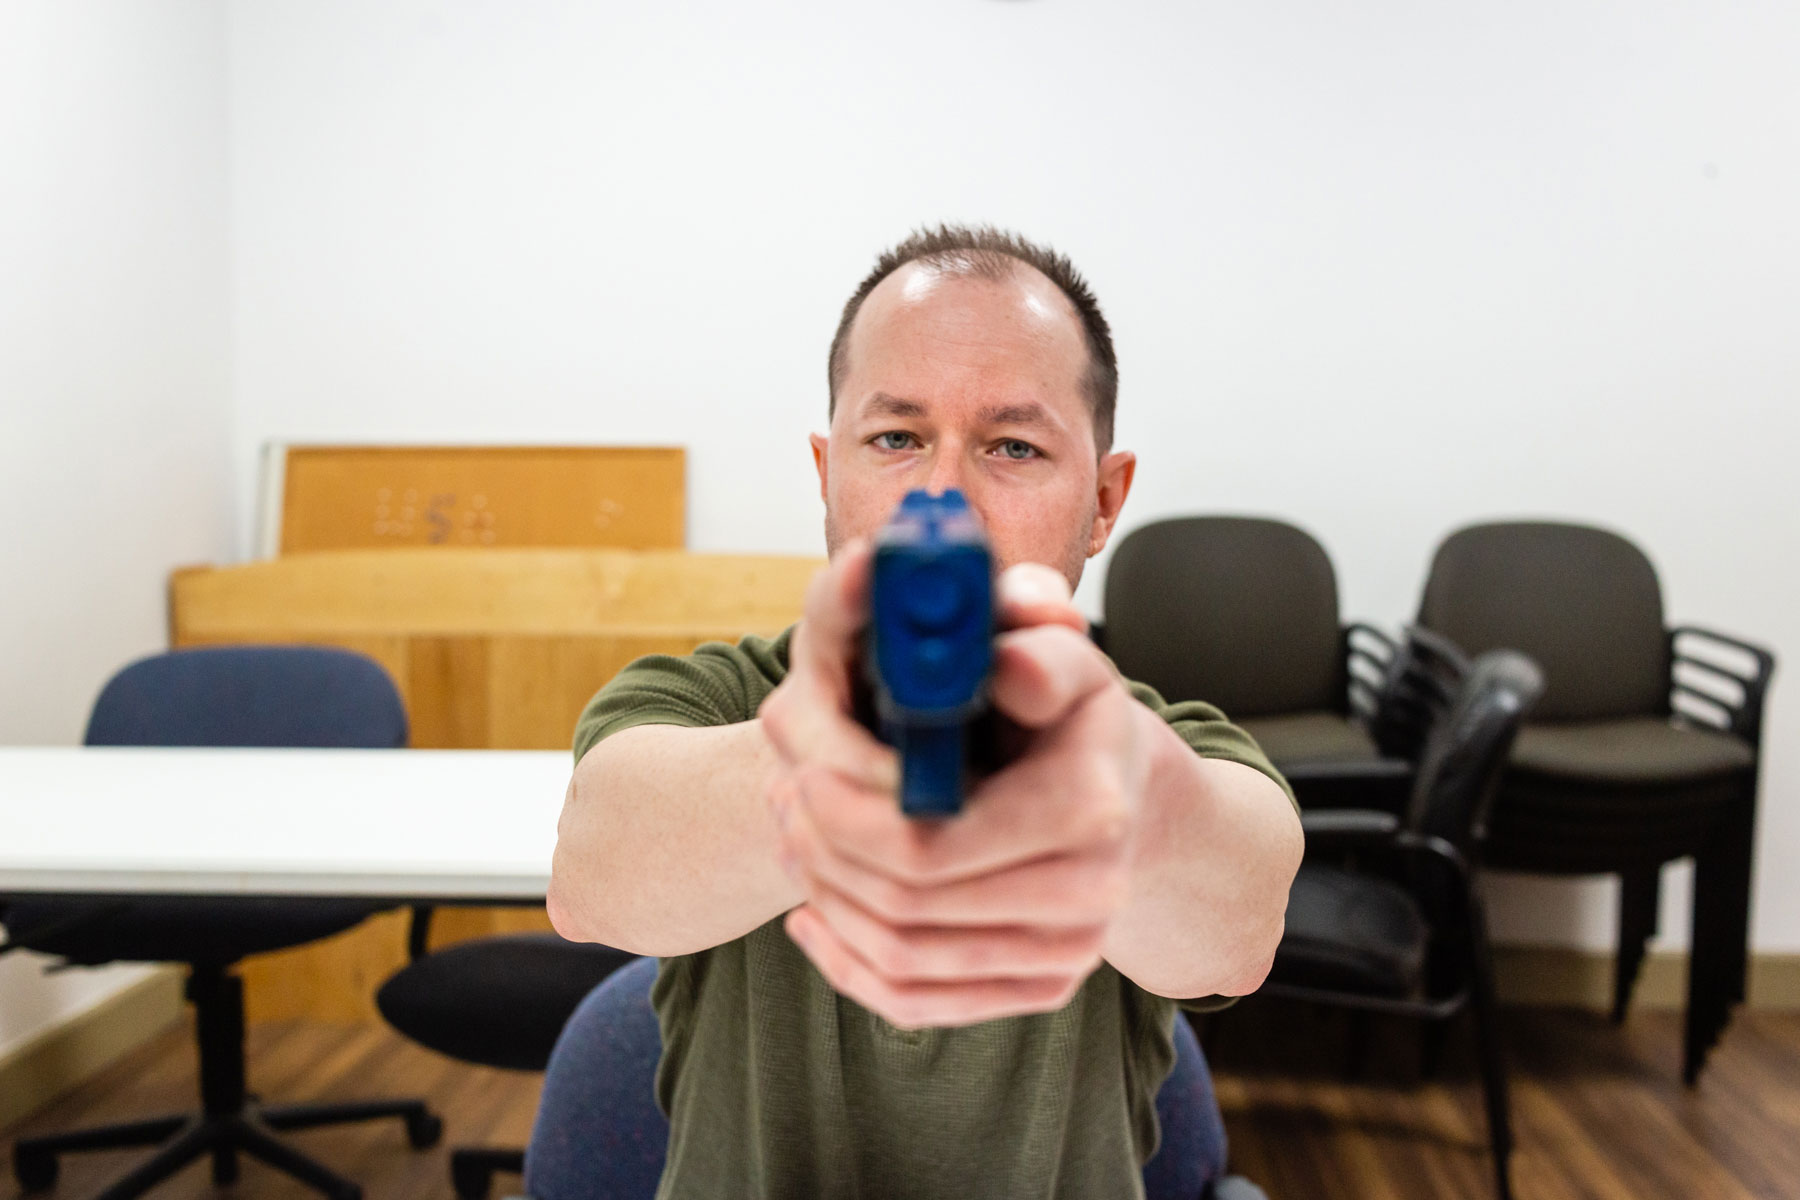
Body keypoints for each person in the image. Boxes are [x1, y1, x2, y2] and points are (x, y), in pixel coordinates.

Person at [547, 225, 1303, 1199]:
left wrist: (1122, 795)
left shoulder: (1174, 741)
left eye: (1015, 446)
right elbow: (593, 880)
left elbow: (1239, 931)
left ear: (1104, 501)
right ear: (828, 472)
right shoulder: (708, 700)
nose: (941, 499)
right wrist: (832, 750)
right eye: (896, 439)